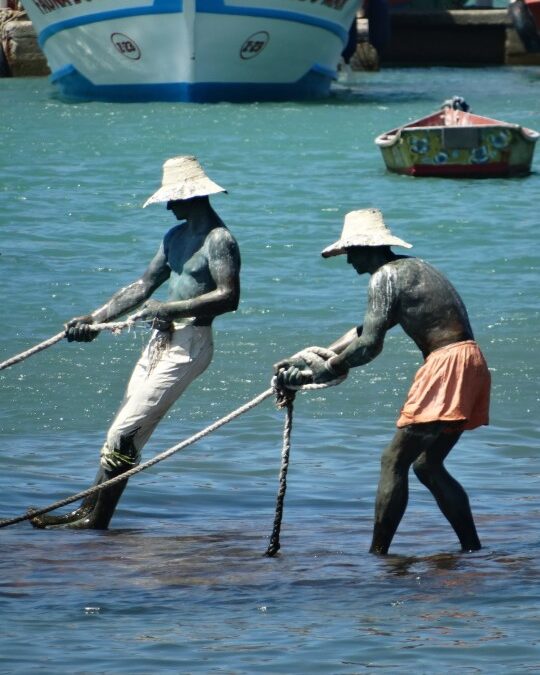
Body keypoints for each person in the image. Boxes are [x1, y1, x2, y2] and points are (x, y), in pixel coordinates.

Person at [31, 155, 241, 530]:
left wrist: (174, 307)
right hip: (159, 341)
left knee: (123, 433)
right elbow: (143, 286)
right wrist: (95, 319)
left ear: (191, 197)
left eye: (172, 199)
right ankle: (86, 512)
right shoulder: (175, 237)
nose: (168, 206)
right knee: (127, 431)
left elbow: (229, 297)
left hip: (190, 343)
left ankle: (97, 521)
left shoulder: (219, 240)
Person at [274, 208, 490, 555]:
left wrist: (323, 370)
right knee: (427, 465)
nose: (348, 263)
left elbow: (370, 345)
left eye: (350, 254)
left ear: (367, 248)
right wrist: (313, 355)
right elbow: (365, 330)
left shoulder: (384, 277)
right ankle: (474, 551)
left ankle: (378, 554)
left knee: (393, 460)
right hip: (471, 360)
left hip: (447, 364)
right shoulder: (412, 269)